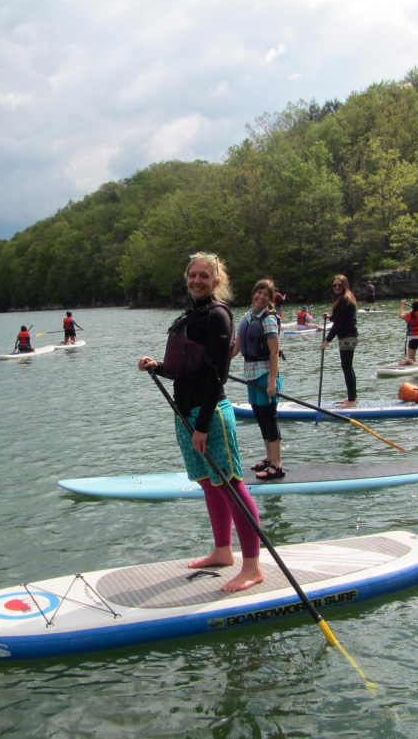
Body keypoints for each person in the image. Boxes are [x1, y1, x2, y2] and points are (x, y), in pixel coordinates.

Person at [137, 252, 263, 593]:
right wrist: (157, 366)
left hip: (210, 416)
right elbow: (185, 369)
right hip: (184, 413)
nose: (196, 280)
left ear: (216, 281)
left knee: (231, 485)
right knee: (209, 484)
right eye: (192, 275)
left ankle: (252, 566)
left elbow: (215, 377)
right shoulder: (191, 315)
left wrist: (203, 425)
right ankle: (223, 551)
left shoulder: (218, 317)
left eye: (204, 276)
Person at [232, 279, 284, 480]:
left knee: (269, 418)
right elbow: (236, 346)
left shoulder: (269, 319)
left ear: (270, 299)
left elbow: (274, 353)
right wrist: (223, 363)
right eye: (258, 293)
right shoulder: (246, 317)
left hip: (265, 374)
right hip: (250, 374)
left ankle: (277, 464)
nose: (260, 297)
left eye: (265, 295)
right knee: (260, 417)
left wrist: (272, 382)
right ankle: (269, 458)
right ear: (253, 294)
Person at [319, 274, 359, 408]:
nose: (337, 287)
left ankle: (352, 400)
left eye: (340, 285)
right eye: (334, 285)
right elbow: (337, 318)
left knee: (346, 367)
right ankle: (353, 398)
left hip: (348, 336)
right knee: (348, 367)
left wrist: (327, 341)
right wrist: (330, 316)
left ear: (345, 286)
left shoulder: (345, 299)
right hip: (348, 335)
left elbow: (338, 324)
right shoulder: (342, 299)